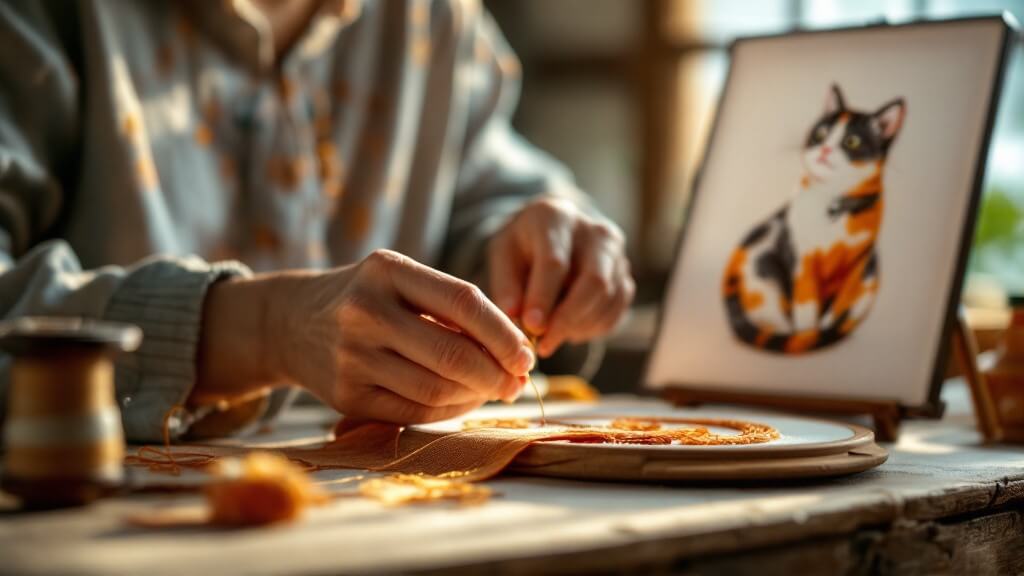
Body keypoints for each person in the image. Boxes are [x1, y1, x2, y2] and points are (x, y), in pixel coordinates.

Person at [0, 0, 633, 442]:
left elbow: (483, 188)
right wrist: (266, 332)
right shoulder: (42, 18)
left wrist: (540, 250)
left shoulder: (434, 19)